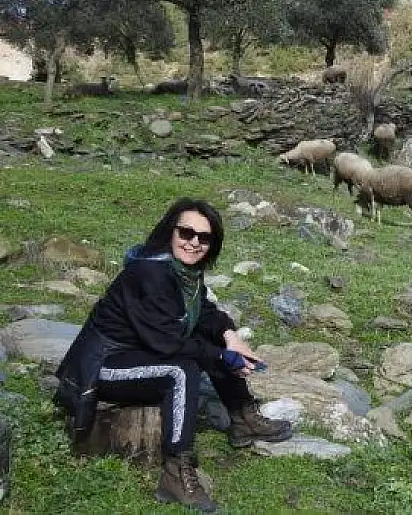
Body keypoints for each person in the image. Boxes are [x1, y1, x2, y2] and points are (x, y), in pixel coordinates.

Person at [54, 198, 293, 512]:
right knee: (180, 370)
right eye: (186, 233)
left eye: (204, 237)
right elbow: (167, 343)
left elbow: (204, 312)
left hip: (141, 350)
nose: (194, 242)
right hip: (102, 365)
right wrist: (222, 358)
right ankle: (175, 470)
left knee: (215, 343)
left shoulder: (185, 273)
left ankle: (242, 417)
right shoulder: (149, 273)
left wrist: (230, 337)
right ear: (171, 231)